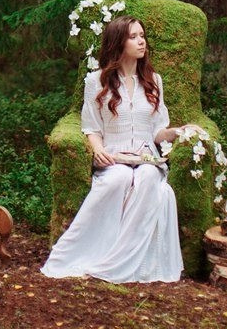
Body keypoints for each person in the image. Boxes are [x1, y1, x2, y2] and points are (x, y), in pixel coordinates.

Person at [40, 15, 200, 283]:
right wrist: (98, 150)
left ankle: (122, 261)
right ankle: (90, 253)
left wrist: (174, 132)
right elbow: (91, 127)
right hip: (114, 157)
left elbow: (158, 130)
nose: (142, 41)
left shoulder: (154, 81)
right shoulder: (96, 82)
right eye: (134, 36)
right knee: (119, 179)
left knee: (149, 177)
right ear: (118, 42)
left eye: (142, 35)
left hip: (148, 157)